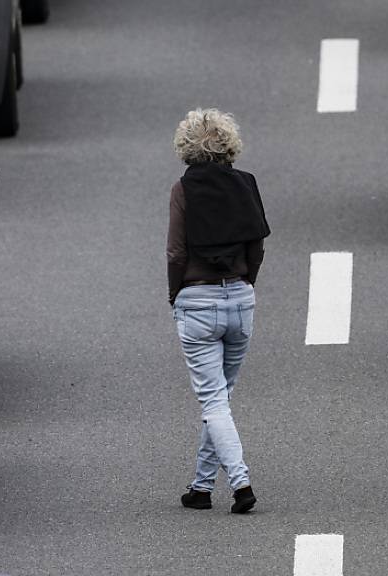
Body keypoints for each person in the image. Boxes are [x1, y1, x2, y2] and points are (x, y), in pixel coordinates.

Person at [167, 108, 270, 514]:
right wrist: (248, 284)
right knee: (220, 398)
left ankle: (241, 482)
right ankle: (201, 487)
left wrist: (176, 294)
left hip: (197, 299)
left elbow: (176, 251)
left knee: (213, 401)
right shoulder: (246, 184)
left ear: (186, 146)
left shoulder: (183, 189)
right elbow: (257, 245)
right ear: (230, 143)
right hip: (241, 300)